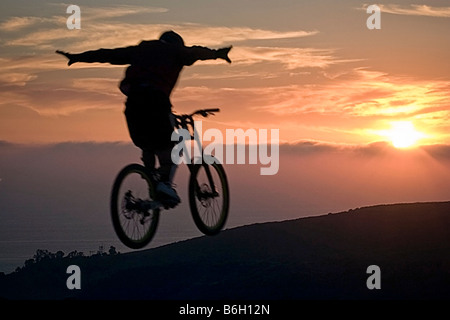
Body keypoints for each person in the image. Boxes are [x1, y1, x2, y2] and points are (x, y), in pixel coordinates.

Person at [57, 30, 232, 208]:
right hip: (156, 102)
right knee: (173, 143)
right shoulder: (176, 52)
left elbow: (110, 54)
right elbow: (196, 52)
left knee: (148, 143)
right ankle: (164, 184)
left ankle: (151, 180)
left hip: (132, 106)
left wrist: (78, 57)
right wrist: (217, 53)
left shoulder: (142, 50)